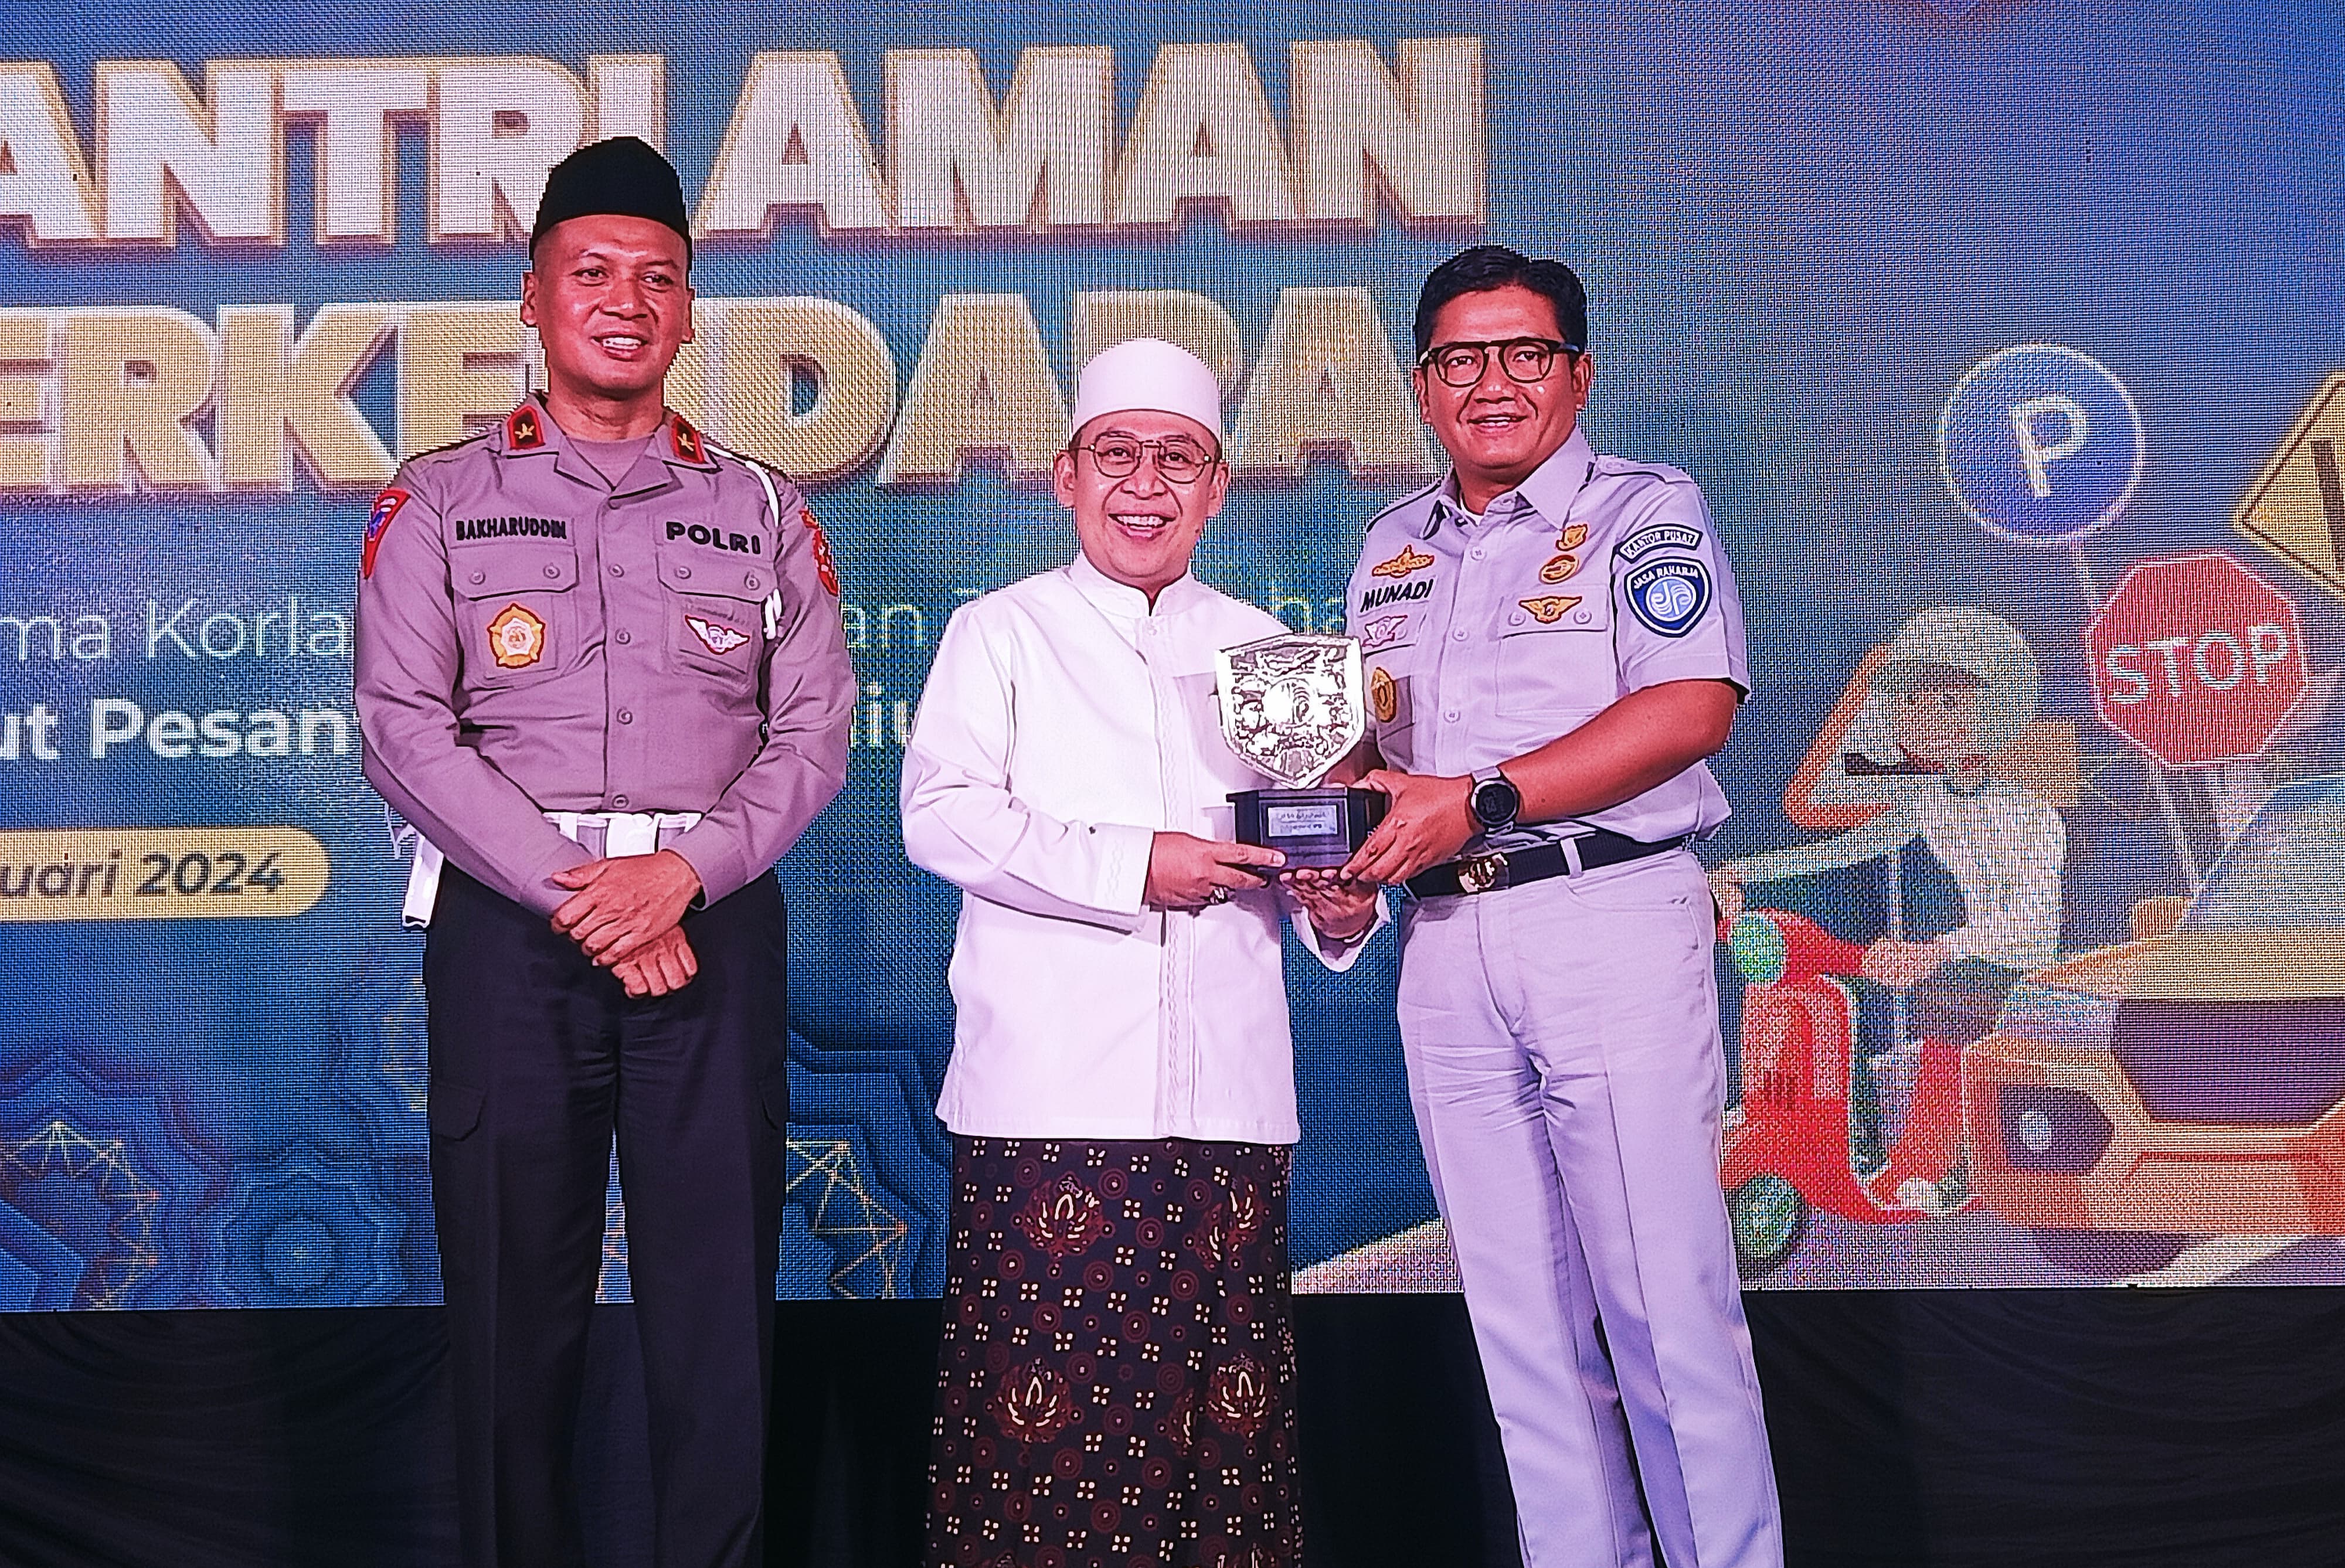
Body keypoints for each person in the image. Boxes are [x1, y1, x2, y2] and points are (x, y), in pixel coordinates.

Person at [354, 137, 855, 1568]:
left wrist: (677, 878)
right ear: (532, 296)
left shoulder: (762, 507)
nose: (624, 301)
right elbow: (401, 727)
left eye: (657, 278)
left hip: (709, 922)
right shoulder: (439, 499)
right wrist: (584, 894)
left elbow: (813, 732)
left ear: (689, 310)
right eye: (592, 272)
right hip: (514, 933)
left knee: (716, 1308)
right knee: (510, 1305)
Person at [1332, 246, 1783, 1568]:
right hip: (1444, 942)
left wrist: (1480, 798)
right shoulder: (1391, 544)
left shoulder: (1646, 509)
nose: (1493, 383)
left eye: (1524, 353)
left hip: (1606, 917)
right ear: (1422, 384)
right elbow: (1369, 758)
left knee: (1664, 1311)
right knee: (1522, 1329)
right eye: (1459, 359)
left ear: (1577, 374)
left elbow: (1690, 707)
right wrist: (1335, 833)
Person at [900, 337, 1382, 1568]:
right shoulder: (1002, 632)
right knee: (1040, 1448)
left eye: (1178, 459)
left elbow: (1310, 847)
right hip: (1049, 1101)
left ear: (1216, 489)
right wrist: (1134, 865)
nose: (1145, 485)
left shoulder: (1268, 652)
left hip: (1227, 1105)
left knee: (1223, 1448)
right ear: (1067, 475)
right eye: (1117, 454)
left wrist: (1340, 909)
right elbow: (940, 816)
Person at [1712, 607, 2066, 1207]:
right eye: (1910, 699)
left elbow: (2031, 921)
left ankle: (1936, 1162)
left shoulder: (2031, 815)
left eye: (1949, 703)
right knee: (1834, 979)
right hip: (1956, 962)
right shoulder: (1928, 797)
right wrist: (1739, 873)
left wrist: (1938, 950)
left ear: (1995, 716)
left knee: (1952, 1003)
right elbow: (1843, 842)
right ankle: (1848, 1135)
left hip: (2021, 972)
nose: (1922, 718)